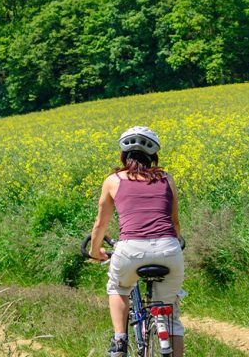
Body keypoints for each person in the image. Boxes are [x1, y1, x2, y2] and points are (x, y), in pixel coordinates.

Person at [89, 125, 185, 357]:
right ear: (153, 156)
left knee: (118, 286)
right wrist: (177, 241)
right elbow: (174, 223)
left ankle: (120, 340)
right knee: (171, 318)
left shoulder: (113, 180)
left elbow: (100, 224)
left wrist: (94, 250)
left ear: (124, 155)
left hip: (130, 250)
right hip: (169, 249)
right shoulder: (167, 179)